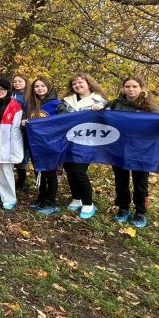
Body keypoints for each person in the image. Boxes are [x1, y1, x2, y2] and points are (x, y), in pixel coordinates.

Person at [105, 77, 159, 228]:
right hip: (119, 148)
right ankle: (123, 208)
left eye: (134, 86)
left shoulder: (150, 105)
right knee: (121, 180)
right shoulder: (115, 103)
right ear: (123, 88)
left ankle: (140, 212)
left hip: (141, 150)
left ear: (141, 87)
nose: (131, 89)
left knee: (140, 183)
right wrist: (97, 107)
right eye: (127, 86)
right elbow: (102, 116)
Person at [57, 73, 107, 220]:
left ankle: (88, 203)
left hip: (88, 142)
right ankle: (77, 198)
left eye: (80, 83)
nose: (78, 85)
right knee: (70, 169)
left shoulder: (99, 100)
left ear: (89, 84)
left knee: (79, 171)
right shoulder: (67, 101)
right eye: (74, 84)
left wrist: (101, 109)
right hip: (69, 140)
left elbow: (107, 120)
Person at [23, 77, 61, 215]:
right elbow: (25, 120)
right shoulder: (29, 104)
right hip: (34, 144)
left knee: (50, 173)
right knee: (39, 172)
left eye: (43, 86)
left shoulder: (57, 104)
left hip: (50, 145)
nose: (40, 88)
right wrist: (24, 122)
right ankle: (41, 198)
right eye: (37, 86)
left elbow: (61, 124)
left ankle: (51, 202)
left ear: (49, 87)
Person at [0, 79, 23, 210]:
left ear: (7, 91)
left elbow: (16, 130)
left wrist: (15, 149)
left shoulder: (15, 106)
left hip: (6, 144)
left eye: (2, 89)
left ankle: (9, 198)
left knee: (6, 172)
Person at [11, 74, 31, 192]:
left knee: (22, 153)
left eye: (20, 81)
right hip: (10, 127)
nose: (17, 83)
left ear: (25, 82)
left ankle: (22, 180)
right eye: (15, 81)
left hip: (22, 128)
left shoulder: (28, 96)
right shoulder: (11, 94)